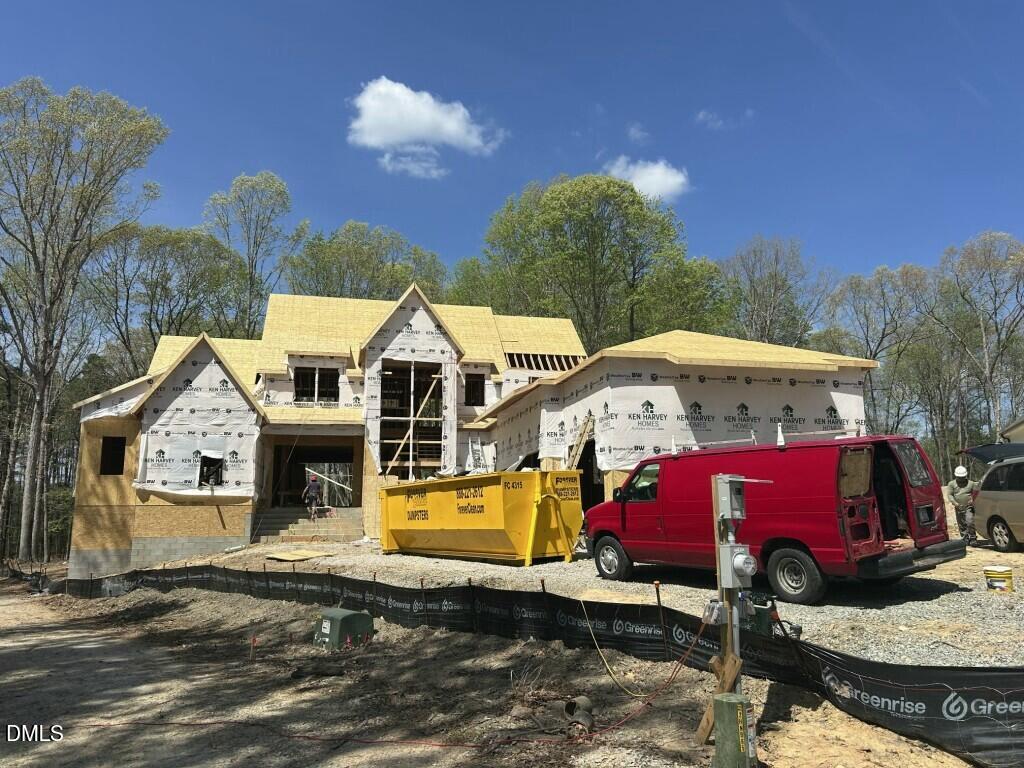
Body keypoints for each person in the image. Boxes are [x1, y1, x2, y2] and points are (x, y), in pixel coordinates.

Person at [946, 465, 979, 546]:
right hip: (958, 507)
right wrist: (955, 503)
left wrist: (972, 500)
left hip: (969, 507)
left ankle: (973, 538)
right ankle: (965, 538)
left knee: (969, 521)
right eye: (959, 477)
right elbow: (950, 495)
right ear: (956, 476)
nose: (961, 479)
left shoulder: (971, 483)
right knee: (961, 523)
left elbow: (976, 493)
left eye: (962, 477)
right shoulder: (951, 484)